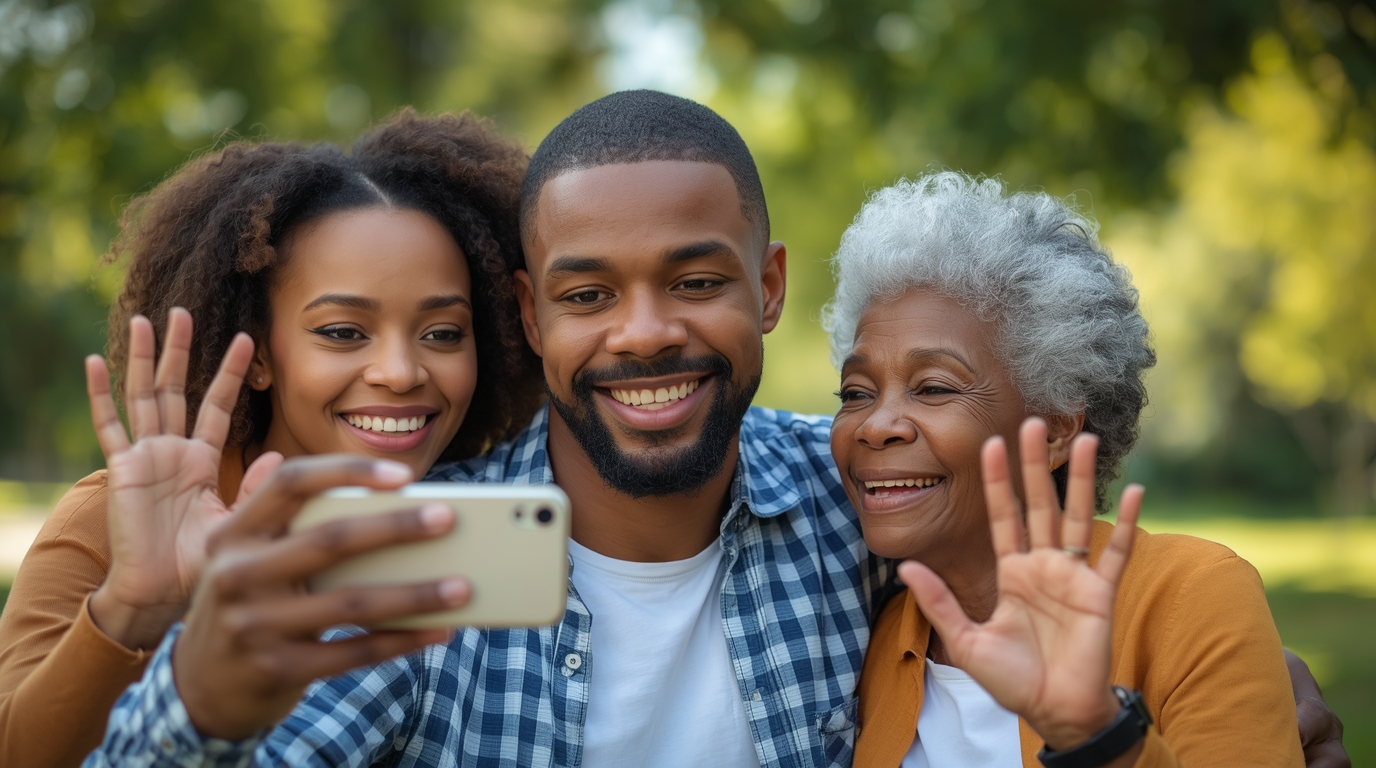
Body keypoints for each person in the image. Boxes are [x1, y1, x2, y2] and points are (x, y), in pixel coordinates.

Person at [87, 93, 1342, 768]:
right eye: (588, 295)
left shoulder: (856, 500)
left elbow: (1047, 568)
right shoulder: (425, 552)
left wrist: (1214, 683)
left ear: (768, 288)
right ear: (527, 316)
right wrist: (192, 693)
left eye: (694, 281)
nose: (644, 335)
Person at [0, 110, 543, 767]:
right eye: (343, 332)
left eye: (443, 333)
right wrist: (133, 608)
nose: (401, 373)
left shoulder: (473, 534)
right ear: (258, 354)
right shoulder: (112, 526)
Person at [828, 173, 1326, 766]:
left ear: (1055, 430)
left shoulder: (1192, 596)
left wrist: (1095, 731)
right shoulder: (882, 642)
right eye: (855, 392)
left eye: (934, 387)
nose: (875, 424)